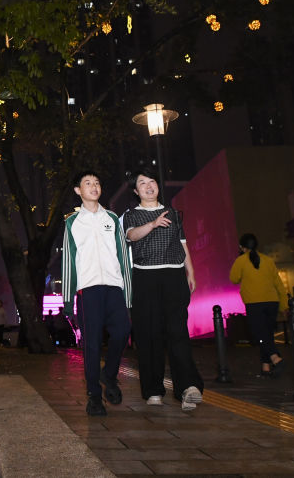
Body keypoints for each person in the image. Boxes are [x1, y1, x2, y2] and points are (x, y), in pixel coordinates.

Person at [121, 169, 204, 411]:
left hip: (174, 276)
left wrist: (191, 272)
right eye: (142, 183)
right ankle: (153, 390)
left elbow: (182, 244)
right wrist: (153, 223)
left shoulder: (174, 213)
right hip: (145, 277)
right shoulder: (132, 215)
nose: (149, 186)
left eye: (152, 181)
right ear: (136, 191)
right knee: (149, 335)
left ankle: (187, 388)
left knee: (178, 332)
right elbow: (131, 236)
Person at [62, 171, 132, 417]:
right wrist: (68, 300)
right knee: (91, 344)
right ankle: (94, 396)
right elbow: (69, 262)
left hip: (114, 287)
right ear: (78, 190)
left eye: (97, 183)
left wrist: (128, 293)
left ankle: (109, 375)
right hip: (88, 290)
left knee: (122, 331)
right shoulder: (72, 222)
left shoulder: (111, 218)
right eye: (88, 183)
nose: (94, 186)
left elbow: (123, 256)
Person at [229, 233, 288, 377]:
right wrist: (284, 305)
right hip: (272, 302)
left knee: (260, 334)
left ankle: (276, 358)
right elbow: (278, 284)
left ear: (242, 247)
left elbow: (234, 278)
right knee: (266, 334)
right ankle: (265, 366)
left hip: (254, 303)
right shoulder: (268, 260)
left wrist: (241, 259)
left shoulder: (241, 261)